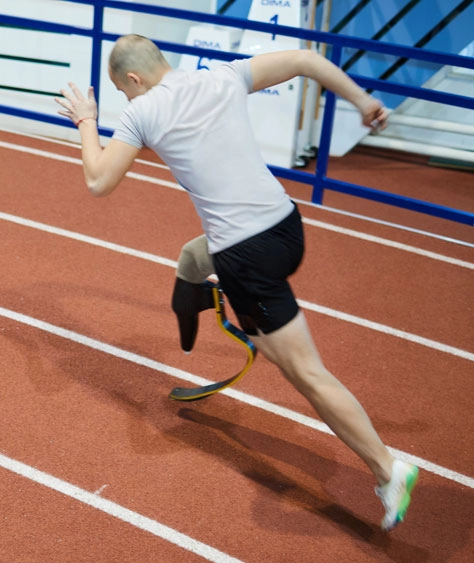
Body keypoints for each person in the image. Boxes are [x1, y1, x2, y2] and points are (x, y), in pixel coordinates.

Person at [55, 34, 418, 531]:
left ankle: (387, 468)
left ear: (134, 79)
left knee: (307, 374)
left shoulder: (143, 112)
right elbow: (307, 60)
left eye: (124, 92)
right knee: (195, 256)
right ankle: (211, 305)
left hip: (247, 256)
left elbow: (98, 180)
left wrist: (88, 122)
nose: (127, 101)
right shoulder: (221, 76)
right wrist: (363, 100)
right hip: (286, 228)